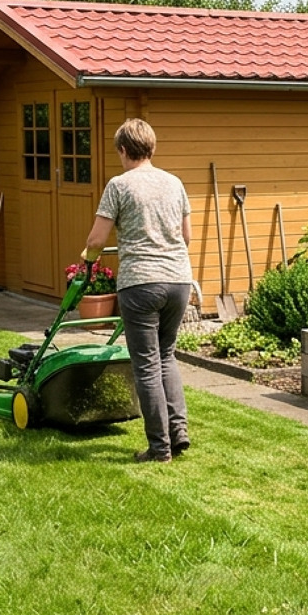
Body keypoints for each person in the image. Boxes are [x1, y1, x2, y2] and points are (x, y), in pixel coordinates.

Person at [84, 119, 194, 463]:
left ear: (122, 150)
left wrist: (87, 259)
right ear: (151, 148)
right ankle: (178, 432)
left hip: (141, 283)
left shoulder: (119, 185)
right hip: (179, 280)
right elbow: (186, 237)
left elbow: (96, 240)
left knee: (146, 365)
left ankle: (160, 448)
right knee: (166, 356)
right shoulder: (174, 183)